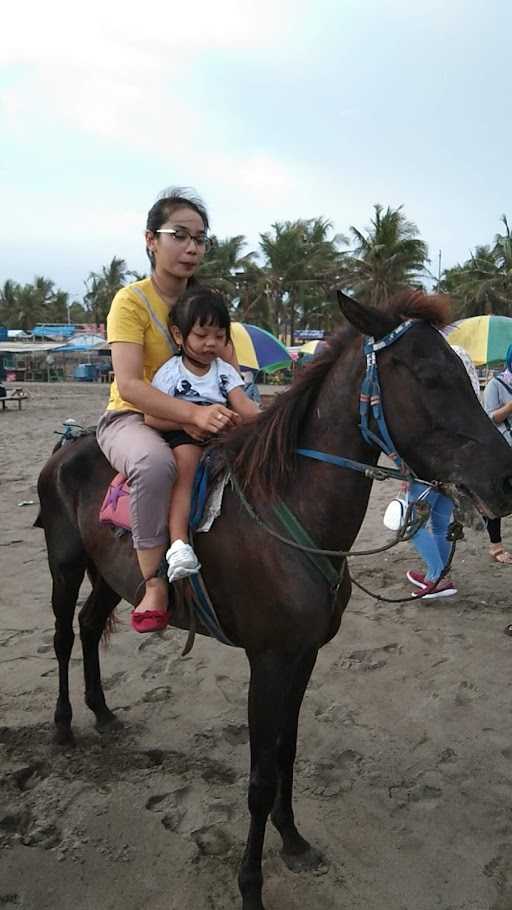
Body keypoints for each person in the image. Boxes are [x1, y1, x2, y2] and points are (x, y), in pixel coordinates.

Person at [96, 187, 239, 634]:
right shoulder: (131, 301)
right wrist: (193, 416)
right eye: (180, 235)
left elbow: (230, 370)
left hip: (202, 416)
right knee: (155, 464)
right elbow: (130, 384)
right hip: (133, 417)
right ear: (151, 240)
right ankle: (153, 581)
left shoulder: (206, 304)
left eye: (200, 238)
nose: (192, 247)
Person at [146, 287, 259, 583]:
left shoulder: (224, 371)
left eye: (219, 336)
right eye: (202, 335)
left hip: (221, 434)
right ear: (179, 335)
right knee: (186, 468)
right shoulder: (171, 372)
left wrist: (265, 420)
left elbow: (245, 407)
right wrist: (184, 423)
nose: (211, 343)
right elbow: (152, 417)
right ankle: (179, 544)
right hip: (185, 435)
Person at [406, 344, 481, 600]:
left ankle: (437, 576)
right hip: (455, 464)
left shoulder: (432, 371)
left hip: (429, 464)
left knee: (412, 525)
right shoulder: (463, 361)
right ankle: (436, 575)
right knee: (439, 525)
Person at [483, 344, 512, 566]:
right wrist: (510, 407)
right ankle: (496, 545)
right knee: (496, 497)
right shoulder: (495, 384)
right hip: (502, 450)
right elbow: (488, 420)